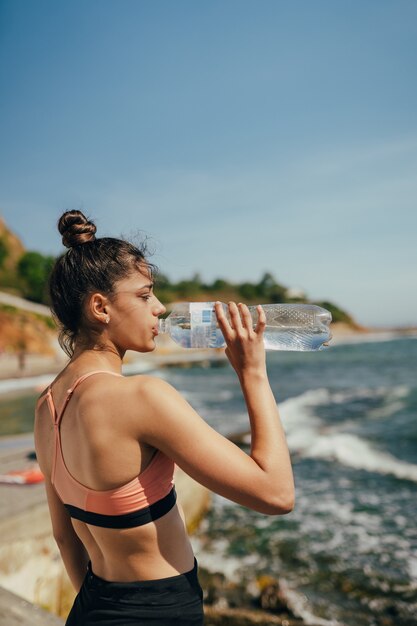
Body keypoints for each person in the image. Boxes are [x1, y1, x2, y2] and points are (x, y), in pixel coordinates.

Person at [34, 210, 295, 626]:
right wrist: (253, 374)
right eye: (144, 295)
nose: (158, 309)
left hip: (92, 609)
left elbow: (65, 537)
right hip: (160, 612)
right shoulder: (142, 396)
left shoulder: (48, 405)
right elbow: (276, 494)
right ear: (100, 307)